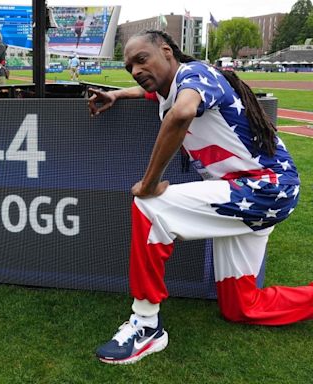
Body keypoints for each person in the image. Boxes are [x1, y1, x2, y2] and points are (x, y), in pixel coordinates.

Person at [88, 30, 313, 365]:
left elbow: (181, 113)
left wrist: (150, 183)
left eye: (141, 59)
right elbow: (160, 98)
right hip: (257, 194)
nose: (134, 70)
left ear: (167, 51)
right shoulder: (173, 88)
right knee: (242, 306)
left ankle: (147, 325)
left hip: (263, 188)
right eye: (128, 67)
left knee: (149, 206)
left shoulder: (197, 75)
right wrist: (120, 94)